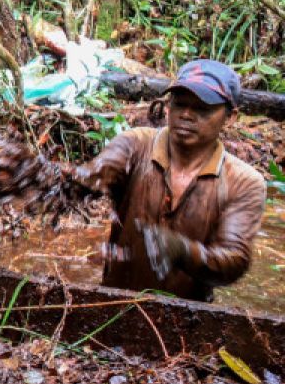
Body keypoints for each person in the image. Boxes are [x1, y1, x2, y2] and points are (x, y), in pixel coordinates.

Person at [73, 60, 266, 301]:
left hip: (187, 319)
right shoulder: (136, 146)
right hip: (113, 307)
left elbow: (234, 261)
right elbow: (87, 180)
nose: (186, 115)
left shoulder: (244, 181)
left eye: (202, 109)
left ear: (231, 117)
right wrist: (43, 174)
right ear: (168, 107)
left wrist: (183, 251)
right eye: (179, 104)